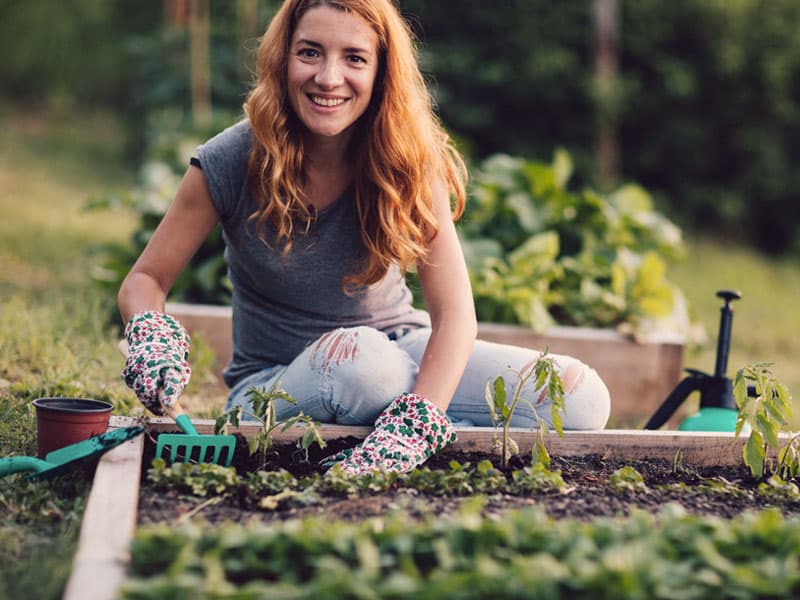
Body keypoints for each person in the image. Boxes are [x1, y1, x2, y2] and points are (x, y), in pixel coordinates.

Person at [118, 0, 610, 476]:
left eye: (354, 58)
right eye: (310, 52)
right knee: (367, 367)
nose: (329, 78)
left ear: (381, 74)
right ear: (283, 58)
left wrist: (418, 421)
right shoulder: (231, 158)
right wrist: (150, 333)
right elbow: (146, 278)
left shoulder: (408, 162)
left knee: (581, 394)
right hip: (278, 383)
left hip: (401, 352)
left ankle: (407, 431)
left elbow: (455, 315)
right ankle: (416, 419)